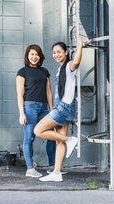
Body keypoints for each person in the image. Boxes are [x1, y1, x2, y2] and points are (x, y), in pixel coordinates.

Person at [34, 40, 83, 182]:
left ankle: (70, 140)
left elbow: (76, 62)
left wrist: (80, 46)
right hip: (63, 108)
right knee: (58, 142)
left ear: (66, 52)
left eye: (59, 52)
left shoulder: (68, 66)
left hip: (63, 108)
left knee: (38, 131)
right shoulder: (60, 69)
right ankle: (57, 172)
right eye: (54, 52)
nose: (56, 55)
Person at [16, 44, 56, 178]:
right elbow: (19, 94)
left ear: (40, 57)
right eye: (32, 54)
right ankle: (30, 169)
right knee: (29, 138)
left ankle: (52, 167)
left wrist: (51, 110)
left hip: (44, 108)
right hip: (29, 107)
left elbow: (48, 92)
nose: (34, 57)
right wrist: (22, 113)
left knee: (51, 136)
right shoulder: (22, 72)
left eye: (37, 54)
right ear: (27, 56)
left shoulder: (44, 72)